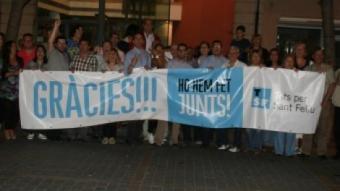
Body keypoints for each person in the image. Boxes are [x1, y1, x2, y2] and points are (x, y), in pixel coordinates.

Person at [301, 48, 335, 159]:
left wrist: (325, 100)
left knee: (323, 128)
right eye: (317, 54)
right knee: (308, 126)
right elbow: (301, 83)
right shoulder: (308, 69)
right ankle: (305, 151)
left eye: (321, 55)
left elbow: (332, 85)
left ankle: (321, 152)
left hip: (324, 102)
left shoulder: (328, 69)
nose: (319, 57)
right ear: (313, 56)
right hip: (311, 103)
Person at [217, 46, 247, 151]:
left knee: (237, 123)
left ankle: (236, 145)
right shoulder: (223, 65)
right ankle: (223, 142)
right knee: (223, 121)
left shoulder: (243, 66)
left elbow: (247, 81)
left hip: (238, 98)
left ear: (238, 54)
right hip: (225, 98)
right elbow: (219, 80)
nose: (232, 55)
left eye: (234, 53)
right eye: (230, 53)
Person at [124, 32, 151, 144]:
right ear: (133, 41)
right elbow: (126, 72)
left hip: (144, 86)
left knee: (141, 112)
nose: (139, 41)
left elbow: (150, 70)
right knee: (133, 113)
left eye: (141, 39)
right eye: (137, 39)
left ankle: (137, 135)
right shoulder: (129, 54)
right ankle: (130, 137)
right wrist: (132, 64)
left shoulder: (146, 54)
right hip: (133, 87)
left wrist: (148, 68)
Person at [167, 43, 195, 146]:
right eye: (180, 50)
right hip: (172, 95)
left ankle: (180, 139)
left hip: (183, 96)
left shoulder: (189, 66)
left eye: (184, 50)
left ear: (186, 52)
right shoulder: (170, 64)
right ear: (177, 52)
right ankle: (172, 138)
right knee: (172, 118)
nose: (182, 52)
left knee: (182, 118)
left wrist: (207, 71)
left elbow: (197, 76)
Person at [273, 54, 297, 157]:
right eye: (287, 61)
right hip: (280, 103)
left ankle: (290, 151)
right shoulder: (278, 72)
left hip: (292, 104)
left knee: (291, 127)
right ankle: (279, 150)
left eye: (292, 61)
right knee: (280, 126)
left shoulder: (298, 73)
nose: (290, 63)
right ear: (284, 62)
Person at [24, 45, 49, 140]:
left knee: (43, 112)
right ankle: (31, 131)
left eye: (42, 51)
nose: (40, 53)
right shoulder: (30, 63)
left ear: (45, 53)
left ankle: (41, 131)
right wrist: (30, 71)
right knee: (32, 111)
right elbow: (24, 75)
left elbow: (54, 76)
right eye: (38, 51)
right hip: (32, 92)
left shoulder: (48, 64)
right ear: (36, 53)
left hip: (45, 93)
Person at [0, 41, 23, 140]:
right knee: (7, 111)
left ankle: (12, 129)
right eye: (13, 45)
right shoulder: (3, 60)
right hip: (6, 91)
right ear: (9, 48)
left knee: (16, 111)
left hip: (18, 90)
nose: (15, 47)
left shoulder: (20, 59)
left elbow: (23, 72)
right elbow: (3, 75)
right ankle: (6, 130)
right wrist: (14, 72)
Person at [101, 48, 124, 145]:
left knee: (113, 116)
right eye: (110, 53)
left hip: (115, 94)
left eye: (114, 54)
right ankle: (105, 136)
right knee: (105, 115)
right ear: (107, 55)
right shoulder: (103, 66)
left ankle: (112, 136)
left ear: (117, 56)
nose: (112, 55)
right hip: (105, 94)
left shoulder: (120, 67)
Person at [247, 50, 265, 153]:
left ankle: (256, 146)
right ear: (250, 58)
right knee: (248, 125)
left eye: (257, 56)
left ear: (260, 58)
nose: (255, 58)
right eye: (253, 56)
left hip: (260, 98)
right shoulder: (246, 69)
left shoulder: (264, 69)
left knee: (258, 124)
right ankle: (250, 146)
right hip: (248, 99)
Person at [333, 68, 340, 159]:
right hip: (337, 105)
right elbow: (335, 84)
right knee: (337, 129)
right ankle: (339, 151)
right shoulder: (338, 71)